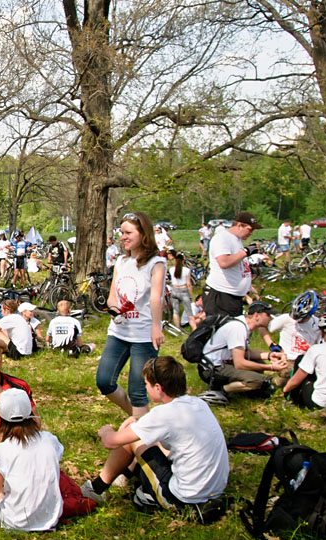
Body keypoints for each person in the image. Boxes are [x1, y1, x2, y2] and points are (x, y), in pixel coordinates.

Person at [81, 356, 229, 515]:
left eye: (146, 384)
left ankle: (96, 489)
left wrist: (106, 431)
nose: (145, 388)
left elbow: (111, 442)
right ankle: (123, 477)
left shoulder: (164, 414)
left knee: (133, 438)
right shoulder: (198, 403)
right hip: (215, 490)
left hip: (183, 498)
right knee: (142, 435)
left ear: (158, 387)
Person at [0, 390, 84, 532]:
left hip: (11, 525)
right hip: (49, 519)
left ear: (0, 417)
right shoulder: (50, 440)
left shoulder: (2, 450)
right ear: (30, 413)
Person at [96, 212, 166, 418]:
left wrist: (156, 327)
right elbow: (112, 297)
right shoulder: (121, 261)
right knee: (104, 381)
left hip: (143, 335)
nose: (123, 237)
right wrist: (114, 310)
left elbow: (156, 298)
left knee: (137, 389)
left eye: (128, 233)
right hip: (118, 333)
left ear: (143, 234)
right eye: (122, 233)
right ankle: (140, 421)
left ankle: (141, 428)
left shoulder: (156, 263)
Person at [198, 300, 286, 401]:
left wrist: (269, 355)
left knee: (258, 364)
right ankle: (221, 390)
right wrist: (271, 367)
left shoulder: (243, 324)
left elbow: (245, 352)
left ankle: (245, 388)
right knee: (256, 380)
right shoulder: (238, 328)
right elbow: (240, 363)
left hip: (223, 363)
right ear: (257, 316)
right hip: (212, 369)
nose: (270, 318)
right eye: (268, 315)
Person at [203, 211, 261, 316]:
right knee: (221, 326)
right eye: (250, 229)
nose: (251, 233)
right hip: (221, 295)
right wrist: (246, 252)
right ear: (239, 225)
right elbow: (224, 262)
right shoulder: (222, 238)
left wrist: (248, 286)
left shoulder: (236, 240)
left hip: (233, 296)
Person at [267, 289, 322, 364]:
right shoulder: (286, 318)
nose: (297, 321)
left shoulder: (318, 325)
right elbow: (264, 326)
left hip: (306, 362)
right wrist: (271, 344)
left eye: (302, 319)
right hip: (286, 359)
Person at [167, 252, 195, 329]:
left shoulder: (171, 269)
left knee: (176, 312)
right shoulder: (186, 270)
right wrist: (191, 296)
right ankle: (194, 328)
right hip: (183, 290)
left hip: (174, 290)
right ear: (183, 261)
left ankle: (177, 328)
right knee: (189, 312)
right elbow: (189, 284)